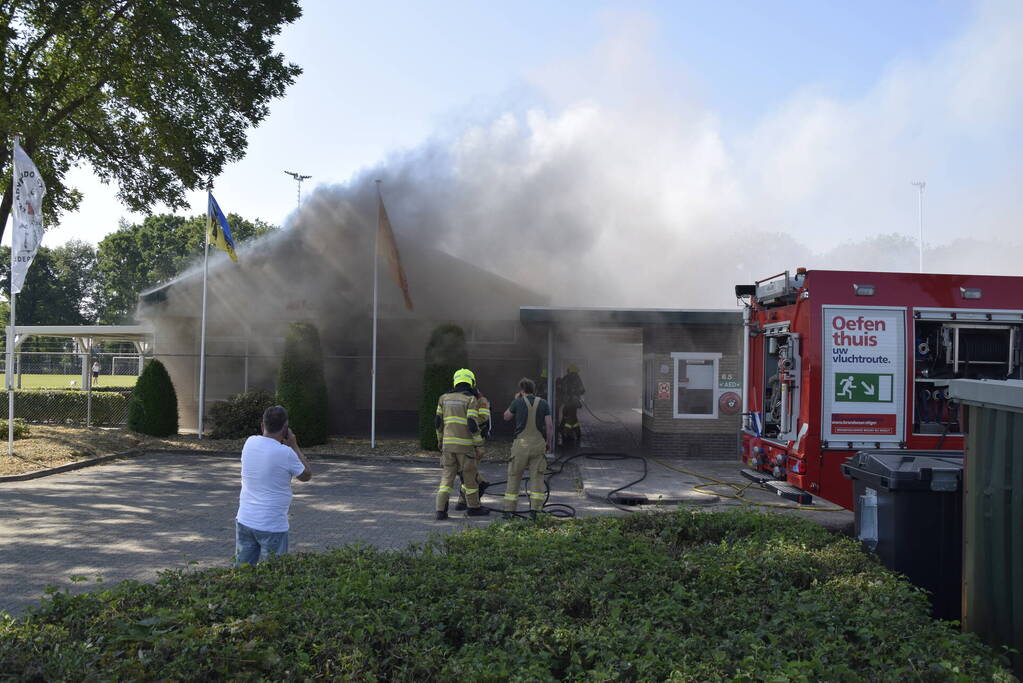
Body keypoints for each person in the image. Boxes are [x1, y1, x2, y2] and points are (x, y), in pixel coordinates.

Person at [234, 405, 312, 566]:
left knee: (242, 572)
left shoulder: (249, 442)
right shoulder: (286, 453)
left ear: (263, 426)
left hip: (245, 520)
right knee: (274, 575)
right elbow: (306, 475)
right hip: (272, 525)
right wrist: (294, 445)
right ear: (285, 428)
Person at [434, 368, 488, 519]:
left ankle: (440, 511)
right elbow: (472, 423)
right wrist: (479, 445)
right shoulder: (470, 399)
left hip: (447, 446)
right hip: (465, 447)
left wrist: (439, 441)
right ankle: (473, 508)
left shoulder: (443, 398)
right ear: (471, 382)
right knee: (470, 478)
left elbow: (438, 423)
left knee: (446, 479)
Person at [502, 377, 553, 520]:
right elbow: (549, 426)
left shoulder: (517, 402)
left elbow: (506, 417)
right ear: (533, 390)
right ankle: (535, 512)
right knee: (537, 478)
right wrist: (548, 443)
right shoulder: (543, 403)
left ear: (521, 390)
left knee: (514, 477)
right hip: (538, 445)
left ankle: (509, 511)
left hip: (520, 446)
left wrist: (514, 400)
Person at [455, 381, 492, 511]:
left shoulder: (480, 399)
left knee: (468, 471)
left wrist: (469, 422)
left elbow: (484, 417)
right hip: (464, 440)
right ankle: (478, 486)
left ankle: (464, 500)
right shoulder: (462, 397)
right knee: (465, 471)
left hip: (475, 440)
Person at [559, 364, 586, 447]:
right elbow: (582, 390)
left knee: (567, 416)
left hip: (566, 402)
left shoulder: (565, 378)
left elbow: (561, 389)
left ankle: (563, 430)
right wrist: (578, 394)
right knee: (571, 418)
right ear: (575, 371)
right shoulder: (577, 379)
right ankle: (567, 433)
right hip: (573, 403)